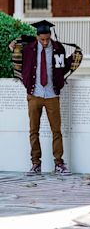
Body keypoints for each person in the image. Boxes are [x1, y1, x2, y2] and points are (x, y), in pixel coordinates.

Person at [8, 20, 74, 175]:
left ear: (50, 35)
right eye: (42, 39)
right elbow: (18, 61)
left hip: (52, 95)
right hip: (34, 95)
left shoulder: (58, 48)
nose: (45, 42)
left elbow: (62, 67)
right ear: (37, 37)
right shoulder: (28, 48)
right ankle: (35, 163)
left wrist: (73, 60)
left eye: (47, 39)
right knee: (33, 130)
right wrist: (13, 47)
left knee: (56, 131)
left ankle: (59, 163)